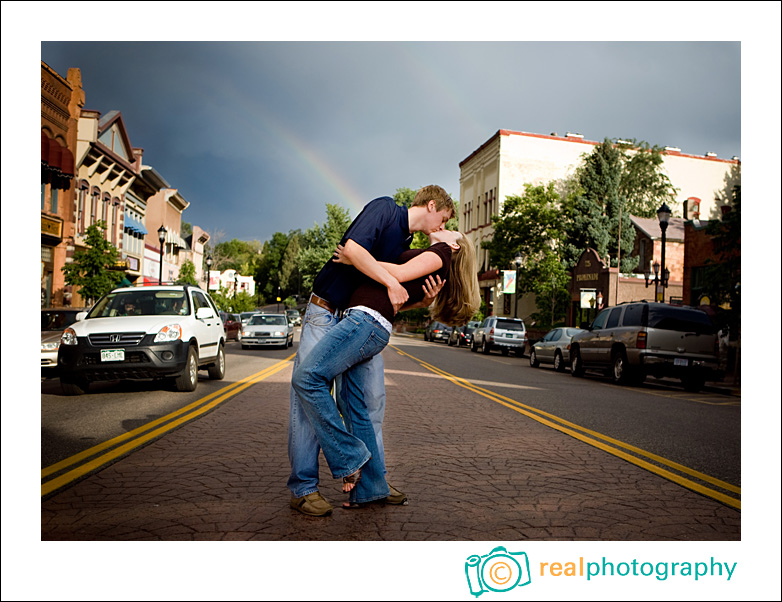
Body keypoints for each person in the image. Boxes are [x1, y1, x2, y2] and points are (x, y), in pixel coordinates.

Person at [288, 185, 455, 517]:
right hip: (325, 311)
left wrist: (418, 301)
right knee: (307, 393)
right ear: (432, 205)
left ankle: (373, 480)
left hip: (358, 318)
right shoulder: (385, 209)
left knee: (370, 400)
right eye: (444, 217)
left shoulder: (405, 245)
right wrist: (393, 281)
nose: (442, 225)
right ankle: (304, 488)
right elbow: (352, 248)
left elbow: (382, 295)